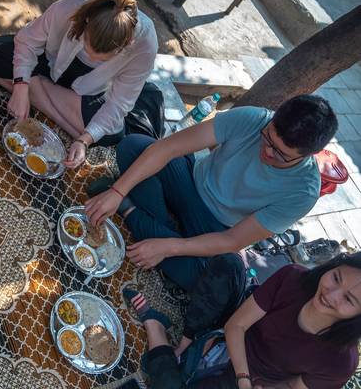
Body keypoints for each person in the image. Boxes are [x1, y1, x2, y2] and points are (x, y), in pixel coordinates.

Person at [85, 94, 338, 354]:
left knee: (205, 280)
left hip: (216, 227)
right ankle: (142, 218)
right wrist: (117, 192)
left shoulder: (303, 192)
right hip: (189, 182)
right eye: (267, 139)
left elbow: (232, 241)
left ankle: (136, 215)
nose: (267, 152)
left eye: (281, 155)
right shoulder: (253, 118)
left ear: (309, 155)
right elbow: (167, 148)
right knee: (134, 146)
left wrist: (169, 247)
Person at [0, 0, 158, 168]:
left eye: (102, 59)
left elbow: (118, 104)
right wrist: (20, 87)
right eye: (88, 48)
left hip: (86, 94)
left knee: (111, 134)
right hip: (48, 66)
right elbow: (27, 41)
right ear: (87, 20)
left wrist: (84, 141)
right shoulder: (75, 4)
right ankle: (43, 100)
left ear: (127, 44)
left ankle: (36, 90)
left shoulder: (145, 46)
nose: (93, 59)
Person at [129, 254, 361, 388]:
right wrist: (244, 377)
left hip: (247, 381)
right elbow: (236, 326)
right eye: (335, 277)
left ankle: (157, 330)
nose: (331, 295)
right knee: (229, 264)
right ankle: (181, 340)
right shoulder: (293, 278)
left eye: (348, 299)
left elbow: (293, 387)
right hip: (230, 338)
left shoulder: (339, 363)